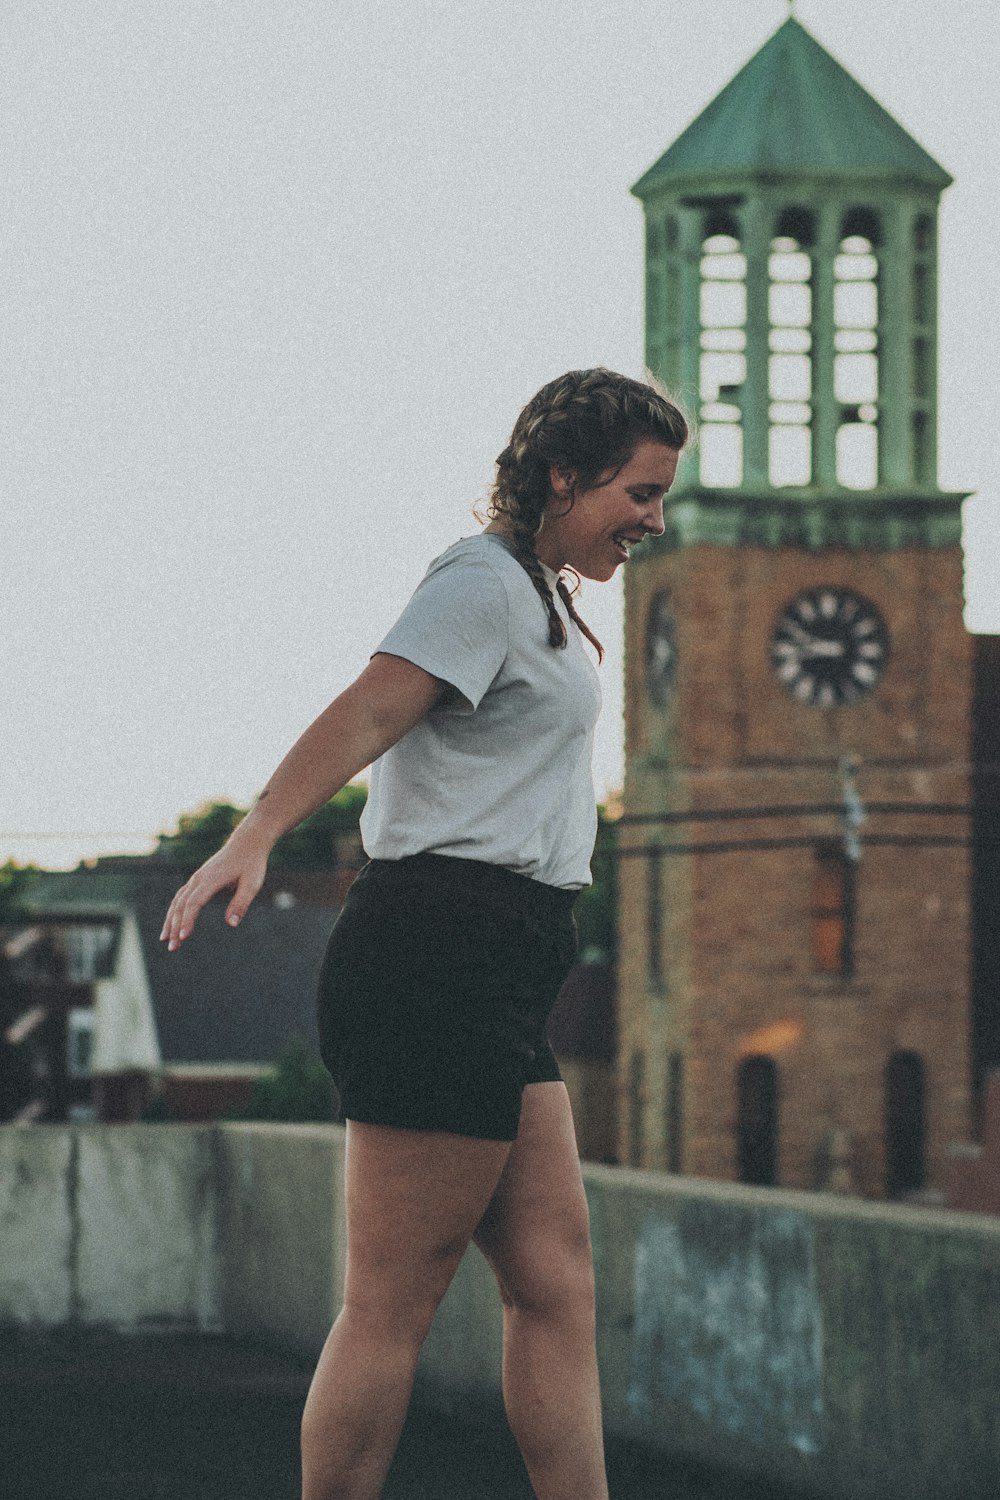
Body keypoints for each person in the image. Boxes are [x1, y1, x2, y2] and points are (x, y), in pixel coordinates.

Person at [160, 366, 687, 1500]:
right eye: (639, 494)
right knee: (394, 1298)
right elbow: (369, 708)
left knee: (553, 1280)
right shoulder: (482, 583)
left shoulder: (540, 596)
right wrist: (255, 832)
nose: (654, 520)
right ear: (562, 474)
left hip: (503, 966)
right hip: (437, 955)